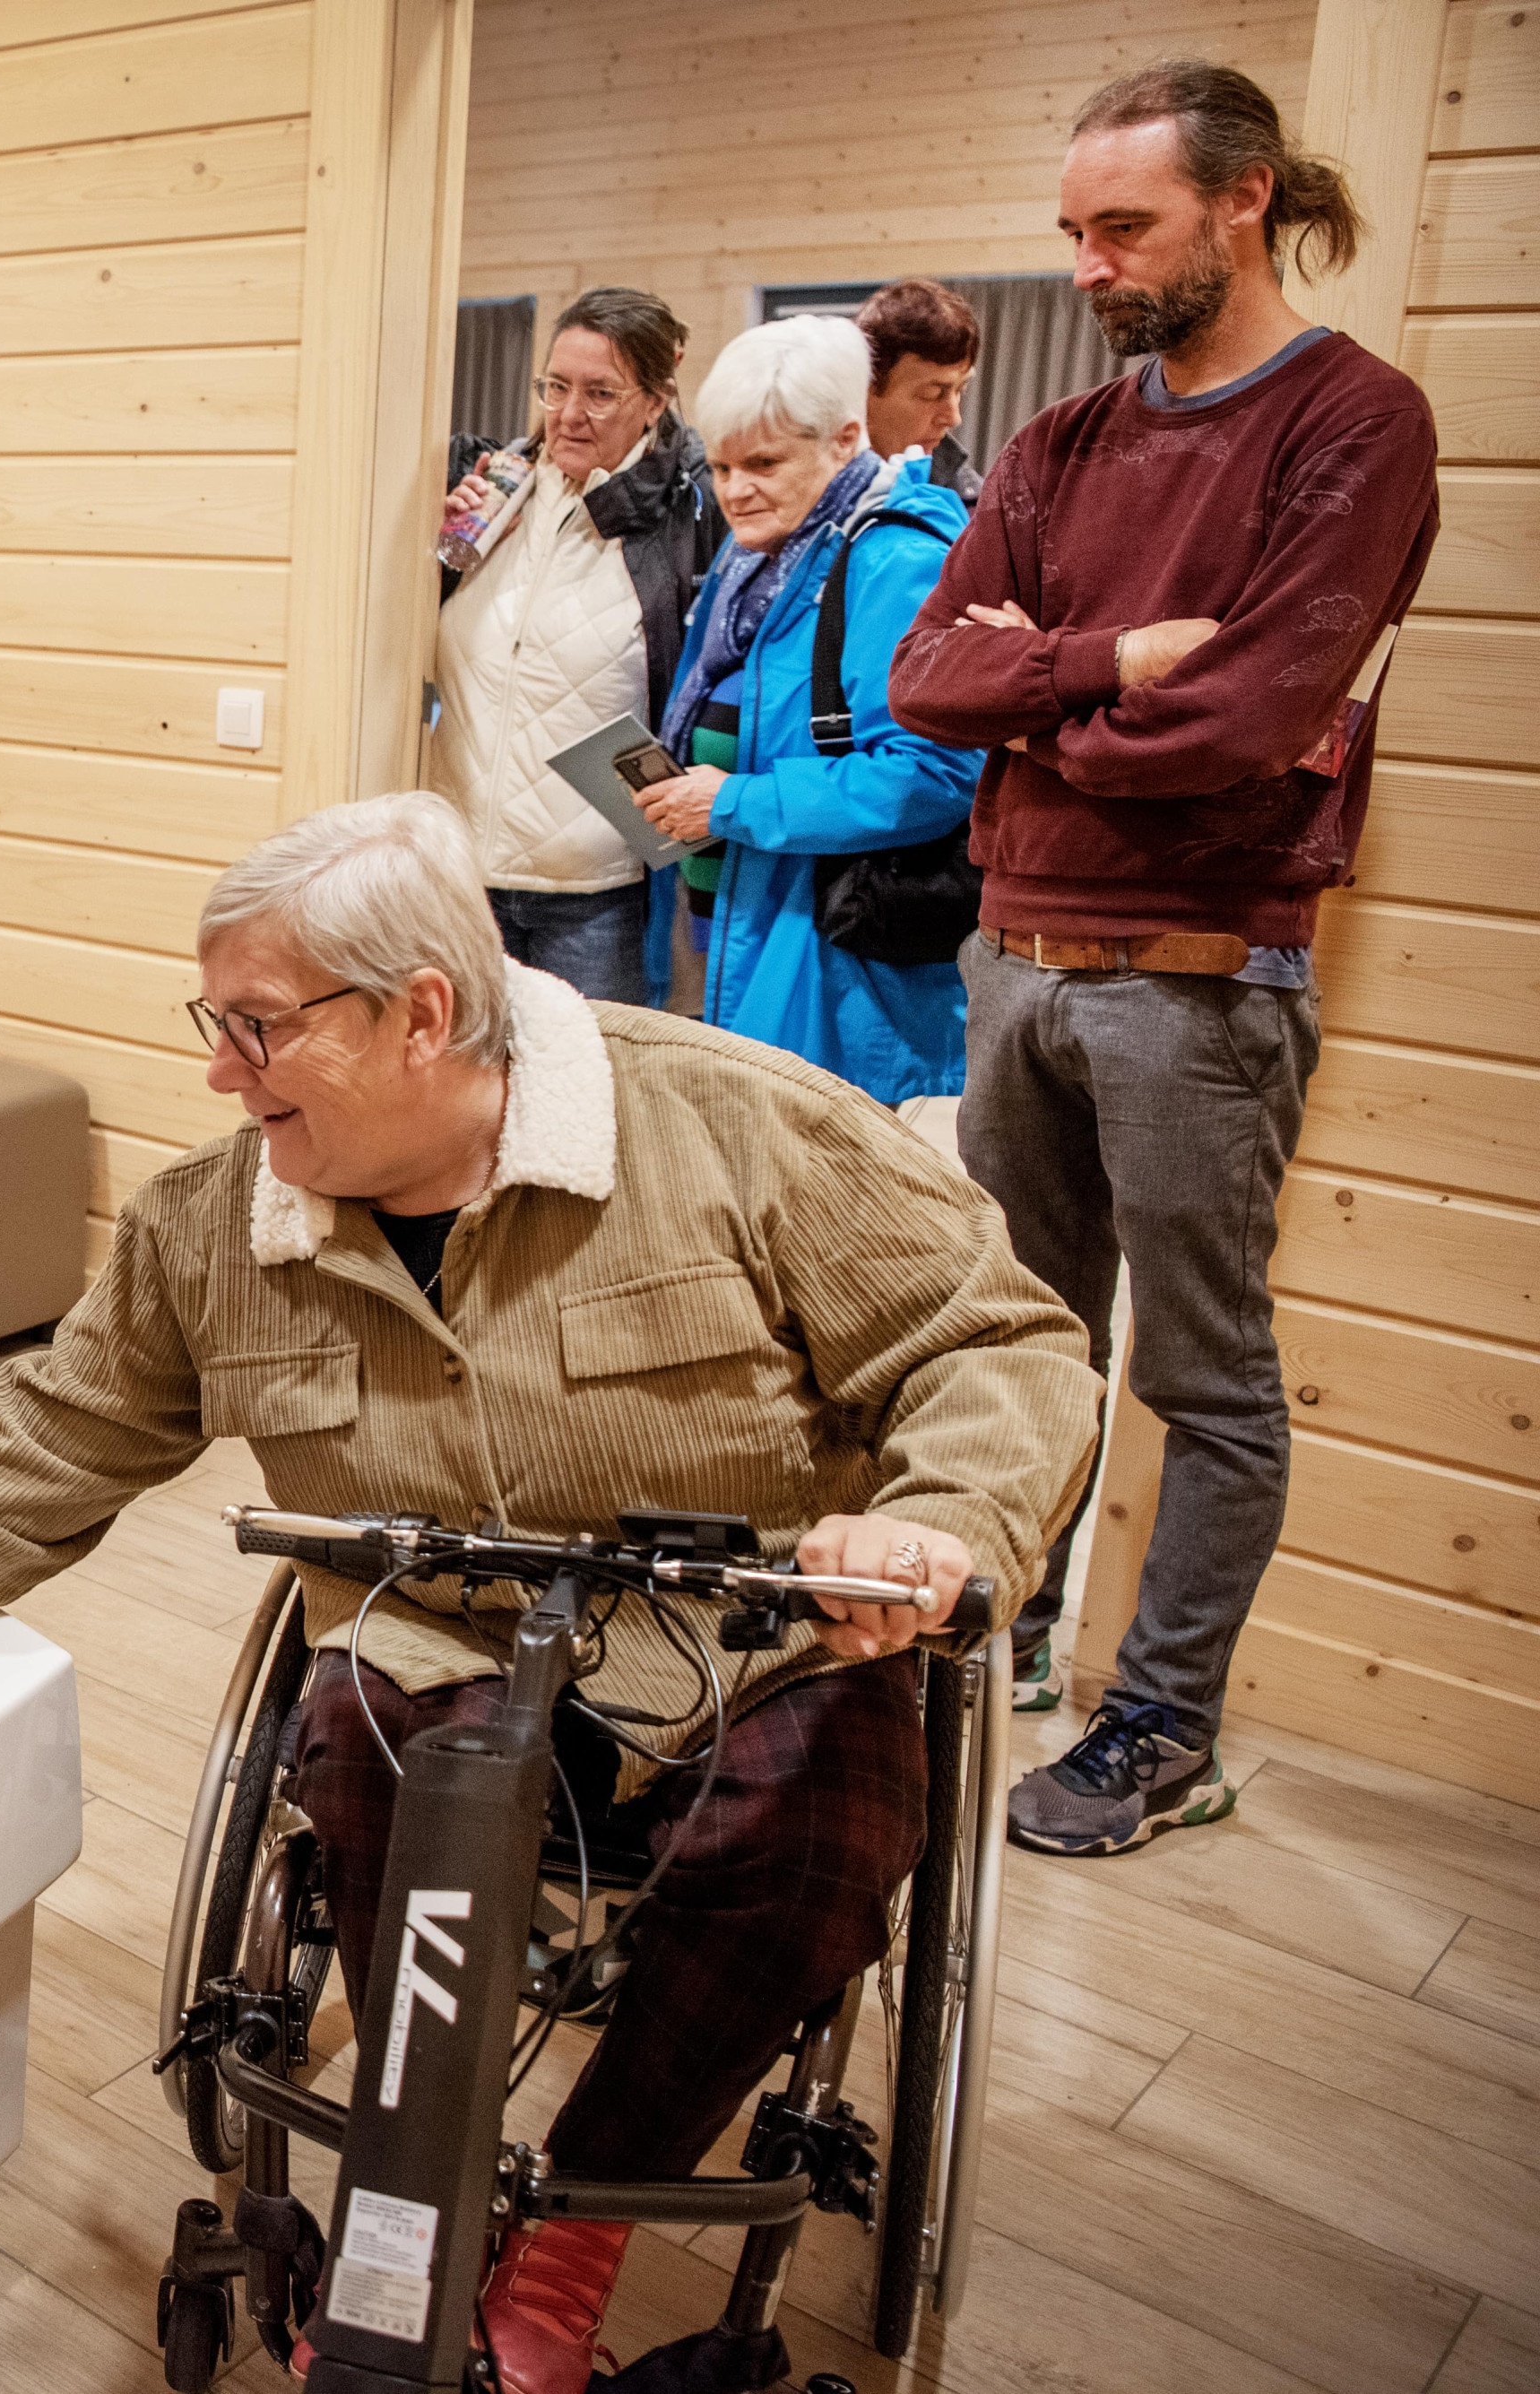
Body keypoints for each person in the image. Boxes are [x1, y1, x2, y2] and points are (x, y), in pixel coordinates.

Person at [0, 795, 1098, 2394]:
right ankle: (417, 2201)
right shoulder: (211, 1229)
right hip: (434, 1639)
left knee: (821, 1845)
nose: (216, 1072)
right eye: (213, 1023)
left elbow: (994, 1347)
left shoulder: (735, 1130)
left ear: (422, 1016)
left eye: (256, 1027)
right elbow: (56, 1439)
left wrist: (938, 1525)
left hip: (754, 1646)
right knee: (372, 1776)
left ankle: (573, 2238)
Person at [887, 58, 1439, 1845]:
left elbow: (1256, 717)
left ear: (1239, 199)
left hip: (1197, 974)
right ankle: (1008, 1644)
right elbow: (924, 681)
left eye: (1116, 228)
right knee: (1024, 1348)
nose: (1085, 267)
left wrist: (1042, 690)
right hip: (1012, 957)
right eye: (1069, 231)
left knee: (1198, 1374)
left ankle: (1163, 1731)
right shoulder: (1055, 443)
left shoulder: (1351, 423)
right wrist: (1112, 668)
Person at [632, 315, 984, 1104]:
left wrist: (734, 801)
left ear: (845, 438)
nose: (735, 490)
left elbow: (930, 774)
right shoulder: (754, 553)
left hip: (837, 964)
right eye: (720, 467)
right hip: (730, 926)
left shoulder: (896, 559)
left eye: (763, 463)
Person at [428, 288, 727, 1003]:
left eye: (600, 393)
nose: (567, 413)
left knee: (586, 1101)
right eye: (556, 386)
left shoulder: (688, 517)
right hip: (461, 876)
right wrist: (428, 551)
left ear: (655, 401)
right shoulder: (492, 491)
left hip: (597, 895)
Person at [856, 278, 983, 501]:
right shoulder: (796, 498)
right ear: (865, 391)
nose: (953, 418)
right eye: (932, 394)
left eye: (960, 389)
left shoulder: (976, 508)